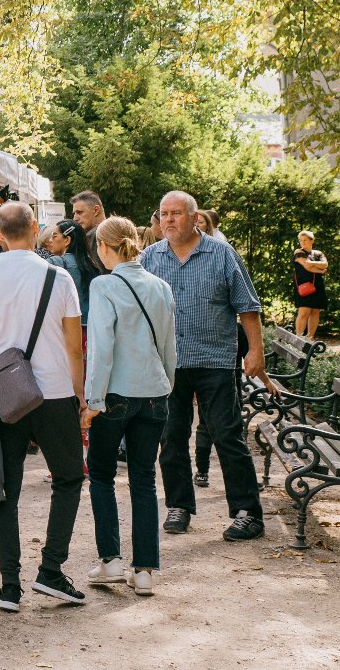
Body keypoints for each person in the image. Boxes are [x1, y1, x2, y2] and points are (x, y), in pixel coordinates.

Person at [0, 201, 86, 613]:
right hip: (53, 393)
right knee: (69, 478)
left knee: (4, 489)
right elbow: (74, 346)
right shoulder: (59, 277)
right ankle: (51, 569)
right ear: (35, 228)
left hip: (4, 396)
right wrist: (82, 396)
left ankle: (10, 585)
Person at [143, 192, 269, 542]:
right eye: (163, 213)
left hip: (216, 361)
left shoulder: (221, 253)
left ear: (194, 217)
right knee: (171, 438)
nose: (168, 220)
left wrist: (256, 351)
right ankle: (179, 506)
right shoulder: (149, 258)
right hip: (168, 365)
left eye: (176, 213)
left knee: (227, 435)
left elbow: (247, 308)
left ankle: (247, 512)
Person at [82, 218, 176, 596]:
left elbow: (101, 348)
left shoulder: (104, 285)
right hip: (155, 392)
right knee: (144, 480)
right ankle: (146, 571)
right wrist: (166, 384)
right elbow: (169, 346)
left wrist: (93, 400)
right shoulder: (161, 286)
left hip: (115, 396)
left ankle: (111, 560)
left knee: (102, 476)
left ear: (106, 247)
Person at [292, 230, 329, 340]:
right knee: (304, 312)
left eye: (305, 240)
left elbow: (325, 264)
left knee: (315, 312)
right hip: (304, 286)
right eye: (301, 240)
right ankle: (298, 338)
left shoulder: (318, 253)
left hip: (317, 285)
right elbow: (307, 267)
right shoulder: (298, 252)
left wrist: (312, 263)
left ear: (312, 241)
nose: (302, 243)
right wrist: (321, 270)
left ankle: (310, 338)